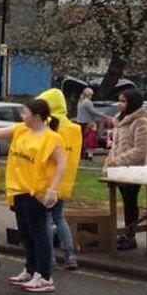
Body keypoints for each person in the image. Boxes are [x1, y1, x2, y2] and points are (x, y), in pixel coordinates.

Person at [0, 98, 66, 293]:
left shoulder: (52, 138)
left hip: (36, 191)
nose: (21, 116)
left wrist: (53, 189)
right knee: (26, 233)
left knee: (40, 234)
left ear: (37, 116)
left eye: (25, 113)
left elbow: (61, 163)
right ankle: (30, 269)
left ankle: (44, 276)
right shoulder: (21, 130)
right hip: (19, 189)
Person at [38, 88, 83, 269]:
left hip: (49, 180)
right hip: (66, 179)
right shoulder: (74, 128)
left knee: (46, 220)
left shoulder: (49, 126)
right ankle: (70, 255)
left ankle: (50, 259)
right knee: (59, 217)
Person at [105, 89, 147, 250]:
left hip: (135, 169)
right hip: (119, 169)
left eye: (124, 101)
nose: (120, 104)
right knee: (125, 202)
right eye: (119, 101)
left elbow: (141, 149)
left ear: (132, 103)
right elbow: (116, 146)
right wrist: (108, 164)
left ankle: (130, 235)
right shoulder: (120, 120)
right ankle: (126, 233)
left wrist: (118, 161)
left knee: (130, 201)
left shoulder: (141, 121)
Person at [73, 87, 110, 161]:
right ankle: (84, 155)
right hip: (86, 123)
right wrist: (103, 114)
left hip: (80, 122)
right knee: (89, 139)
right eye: (91, 95)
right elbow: (93, 111)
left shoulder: (80, 101)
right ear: (90, 94)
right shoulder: (87, 102)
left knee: (82, 139)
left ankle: (81, 155)